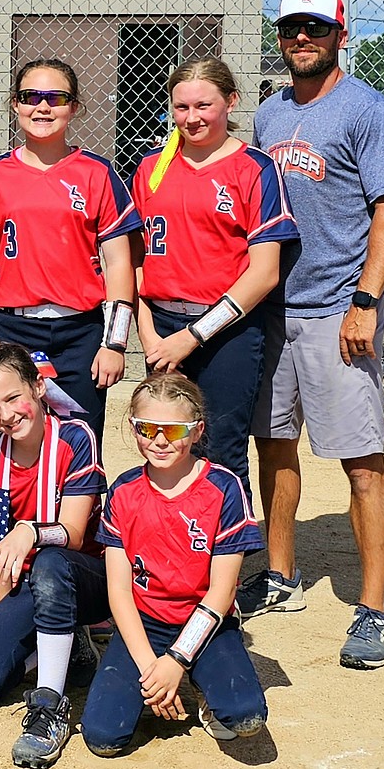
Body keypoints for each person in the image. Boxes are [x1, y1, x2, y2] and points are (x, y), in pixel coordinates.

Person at [242, 0, 384, 670]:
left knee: (361, 460)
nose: (301, 38)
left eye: (315, 27)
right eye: (290, 28)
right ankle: (281, 577)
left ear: (341, 33)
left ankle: (375, 606)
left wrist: (365, 302)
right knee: (272, 444)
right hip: (273, 310)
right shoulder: (269, 114)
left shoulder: (369, 110)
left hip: (339, 311)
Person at [131, 57, 297, 491]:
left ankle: (223, 554)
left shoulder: (254, 168)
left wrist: (192, 336)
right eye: (181, 107)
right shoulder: (152, 167)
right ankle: (173, 550)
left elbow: (263, 274)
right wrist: (150, 339)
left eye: (204, 105)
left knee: (221, 448)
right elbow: (134, 262)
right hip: (162, 326)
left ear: (231, 102)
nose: (192, 118)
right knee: (163, 442)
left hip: (227, 330)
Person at [80, 371, 266, 756]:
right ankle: (157, 676)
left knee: (245, 718)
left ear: (197, 431)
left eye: (175, 430)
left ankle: (202, 679)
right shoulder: (124, 490)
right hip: (145, 623)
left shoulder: (225, 488)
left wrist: (177, 661)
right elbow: (118, 590)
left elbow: (222, 592)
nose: (160, 441)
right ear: (133, 428)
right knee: (103, 738)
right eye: (147, 428)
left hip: (206, 621)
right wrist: (153, 670)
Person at [0, 343, 109, 769]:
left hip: (86, 578)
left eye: (14, 397)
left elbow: (73, 535)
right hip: (31, 583)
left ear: (38, 387)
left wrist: (29, 530)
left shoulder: (75, 437)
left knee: (51, 561)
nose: (6, 414)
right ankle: (67, 643)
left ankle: (50, 706)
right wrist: (7, 614)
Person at [0, 58, 141, 444]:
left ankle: (81, 505)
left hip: (81, 330)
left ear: (74, 107)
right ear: (15, 104)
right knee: (18, 434)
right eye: (31, 96)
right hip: (12, 327)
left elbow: (119, 263)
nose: (42, 107)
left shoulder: (97, 172)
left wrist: (114, 343)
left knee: (81, 439)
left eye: (56, 98)